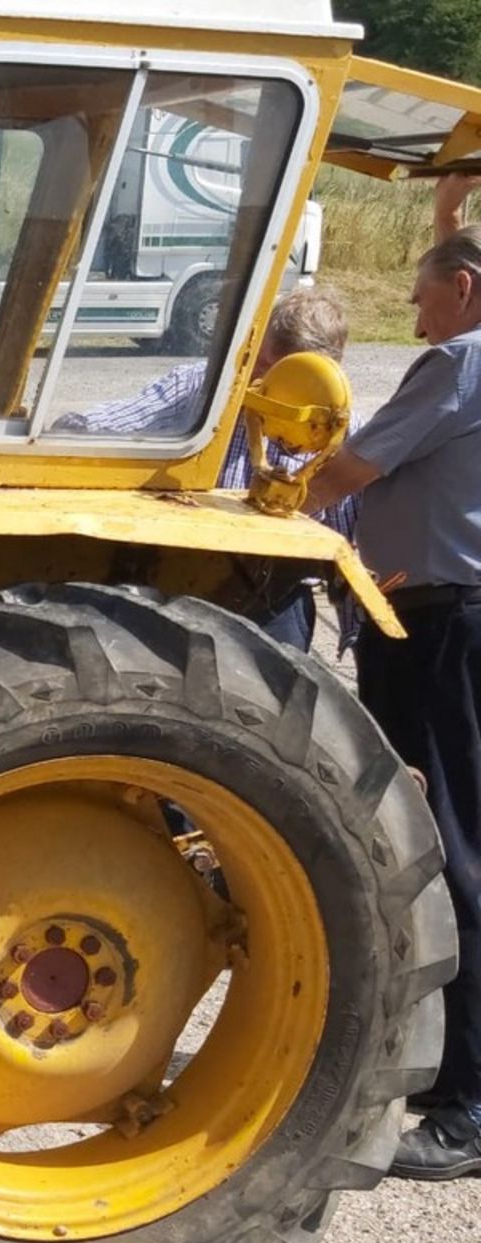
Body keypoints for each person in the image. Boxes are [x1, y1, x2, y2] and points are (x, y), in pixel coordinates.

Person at [305, 226, 481, 1180]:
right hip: (446, 611)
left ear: (462, 287)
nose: (412, 318)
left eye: (418, 298)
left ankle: (469, 1104)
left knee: (451, 839)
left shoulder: (458, 361)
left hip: (443, 617)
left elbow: (348, 470)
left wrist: (278, 502)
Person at [54, 287, 358, 652]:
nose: (262, 384)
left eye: (282, 376)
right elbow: (109, 423)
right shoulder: (201, 387)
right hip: (183, 584)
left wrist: (354, 630)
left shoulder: (342, 432)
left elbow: (349, 542)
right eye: (261, 365)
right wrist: (61, 434)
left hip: (275, 599)